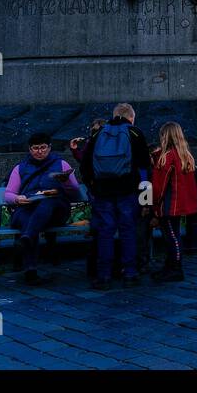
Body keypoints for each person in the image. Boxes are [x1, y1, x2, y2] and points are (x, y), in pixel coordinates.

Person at [79, 102, 151, 289]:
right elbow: (145, 169)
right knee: (128, 231)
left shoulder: (98, 134)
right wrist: (146, 201)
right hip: (128, 191)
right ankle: (130, 273)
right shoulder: (135, 133)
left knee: (105, 233)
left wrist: (94, 187)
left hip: (103, 193)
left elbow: (85, 165)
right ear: (131, 118)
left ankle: (104, 275)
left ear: (114, 115)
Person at [4, 133, 80, 285]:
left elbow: (75, 191)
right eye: (36, 148)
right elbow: (8, 194)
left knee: (47, 202)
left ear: (49, 148)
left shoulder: (62, 165)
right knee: (26, 218)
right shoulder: (20, 168)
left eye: (43, 148)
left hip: (55, 210)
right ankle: (30, 270)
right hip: (29, 207)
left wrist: (65, 183)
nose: (40, 151)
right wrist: (17, 199)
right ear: (30, 149)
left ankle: (27, 238)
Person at [151, 122, 197, 282]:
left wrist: (154, 206)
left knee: (171, 236)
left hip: (169, 205)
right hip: (180, 204)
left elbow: (158, 187)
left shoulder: (167, 157)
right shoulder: (186, 156)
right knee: (174, 234)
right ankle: (170, 266)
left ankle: (175, 268)